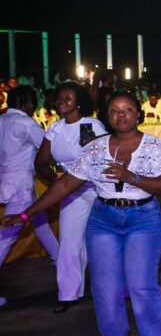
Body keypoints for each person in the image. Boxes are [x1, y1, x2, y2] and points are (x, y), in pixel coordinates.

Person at [3, 91, 161, 336]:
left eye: (128, 109)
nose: (121, 115)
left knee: (141, 286)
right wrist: (26, 214)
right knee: (105, 291)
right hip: (103, 221)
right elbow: (64, 185)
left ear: (138, 114)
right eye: (114, 110)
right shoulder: (95, 149)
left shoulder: (153, 146)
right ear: (107, 117)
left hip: (142, 219)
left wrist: (131, 177)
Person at [33, 82, 107, 312]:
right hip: (70, 191)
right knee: (69, 241)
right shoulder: (55, 128)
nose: (62, 101)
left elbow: (104, 157)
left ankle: (117, 288)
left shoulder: (91, 125)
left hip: (97, 189)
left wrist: (94, 143)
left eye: (68, 97)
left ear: (79, 101)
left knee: (104, 241)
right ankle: (68, 293)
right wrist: (58, 181)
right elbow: (40, 162)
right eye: (59, 97)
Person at [0, 86, 61, 304]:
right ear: (28, 104)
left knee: (40, 221)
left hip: (7, 180)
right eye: (33, 103)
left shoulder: (2, 120)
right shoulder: (25, 123)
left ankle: (59, 259)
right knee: (7, 237)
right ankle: (60, 260)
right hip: (21, 184)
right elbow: (48, 149)